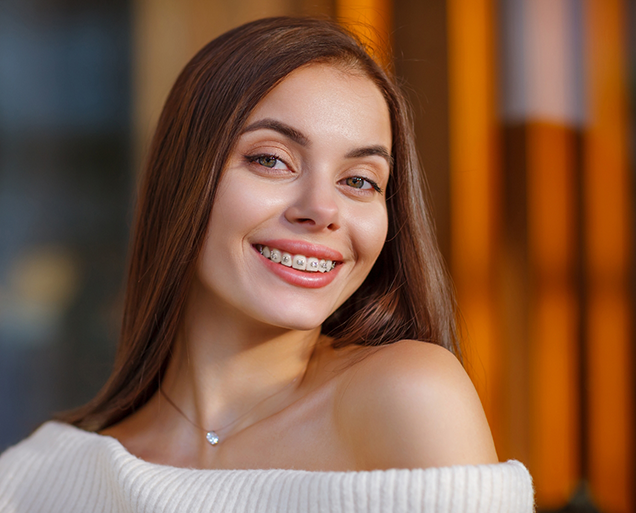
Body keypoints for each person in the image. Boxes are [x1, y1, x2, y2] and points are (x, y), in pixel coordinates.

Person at [0, 16, 533, 512]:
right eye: (271, 159)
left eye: (359, 181)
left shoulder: (409, 395)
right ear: (183, 180)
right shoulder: (33, 481)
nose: (323, 210)